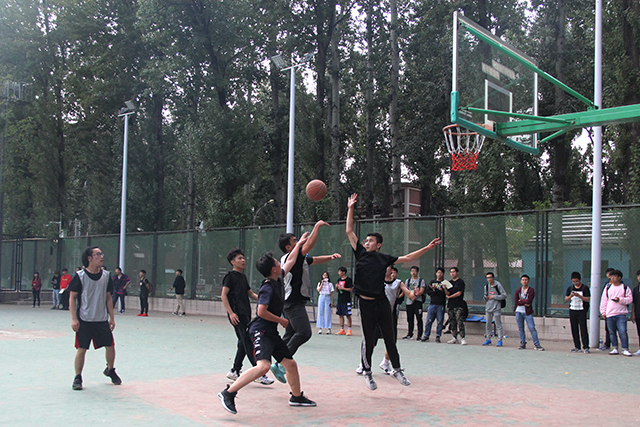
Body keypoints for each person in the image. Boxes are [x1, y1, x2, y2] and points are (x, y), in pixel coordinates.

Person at [346, 193, 440, 390]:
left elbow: (408, 258)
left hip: (381, 302)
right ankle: (367, 372)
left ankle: (397, 369)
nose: (366, 242)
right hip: (365, 303)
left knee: (390, 337)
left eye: (370, 241)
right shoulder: (360, 253)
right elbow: (349, 230)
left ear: (378, 244)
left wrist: (427, 248)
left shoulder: (384, 258)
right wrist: (351, 207)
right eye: (366, 240)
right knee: (368, 340)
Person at [218, 234, 316, 415]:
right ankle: (228, 393)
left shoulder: (278, 278)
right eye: (277, 263)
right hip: (261, 331)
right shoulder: (267, 287)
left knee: (291, 364)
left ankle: (296, 397)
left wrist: (300, 244)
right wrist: (281, 320)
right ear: (273, 268)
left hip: (271, 332)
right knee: (263, 366)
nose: (281, 264)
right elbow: (261, 311)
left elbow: (291, 260)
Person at [278, 221, 341, 356]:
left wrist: (330, 257)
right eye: (295, 241)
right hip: (293, 302)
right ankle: (284, 360)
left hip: (289, 301)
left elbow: (315, 260)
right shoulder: (292, 257)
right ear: (288, 247)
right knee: (304, 333)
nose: (299, 242)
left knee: (290, 333)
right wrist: (317, 226)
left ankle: (277, 358)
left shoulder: (292, 259)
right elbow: (309, 245)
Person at [68, 246, 121, 390]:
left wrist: (112, 318)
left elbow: (108, 298)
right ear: (89, 258)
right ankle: (77, 377)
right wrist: (74, 319)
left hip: (101, 319)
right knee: (82, 348)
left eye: (101, 253)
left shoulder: (106, 276)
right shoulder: (80, 276)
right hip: (84, 319)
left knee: (110, 346)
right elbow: (72, 297)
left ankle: (110, 369)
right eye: (98, 254)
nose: (101, 256)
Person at [221, 248, 274, 385]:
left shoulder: (243, 277)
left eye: (243, 258)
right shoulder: (229, 277)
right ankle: (258, 372)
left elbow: (251, 294)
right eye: (239, 258)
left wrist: (266, 301)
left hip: (245, 313)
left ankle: (235, 370)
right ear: (232, 262)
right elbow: (223, 295)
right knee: (247, 341)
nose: (243, 260)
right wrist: (231, 313)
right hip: (236, 315)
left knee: (243, 342)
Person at [599, 269, 633, 356]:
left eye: (614, 276)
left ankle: (625, 349)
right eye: (611, 276)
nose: (612, 278)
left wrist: (620, 300)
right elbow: (604, 300)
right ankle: (615, 348)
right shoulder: (608, 288)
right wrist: (603, 312)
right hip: (610, 314)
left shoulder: (625, 287)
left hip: (621, 314)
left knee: (623, 331)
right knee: (611, 332)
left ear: (619, 277)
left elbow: (630, 299)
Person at [514, 274, 544, 351]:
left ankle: (537, 344)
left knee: (532, 327)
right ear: (521, 281)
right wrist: (523, 302)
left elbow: (529, 301)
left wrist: (521, 301)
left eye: (526, 280)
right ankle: (522, 343)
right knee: (520, 328)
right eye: (523, 280)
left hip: (527, 312)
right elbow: (516, 302)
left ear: (528, 281)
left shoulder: (531, 290)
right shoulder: (518, 290)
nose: (524, 281)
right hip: (518, 312)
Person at [564, 271, 591, 353]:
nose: (575, 283)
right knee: (574, 328)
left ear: (580, 280)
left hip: (581, 310)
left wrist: (579, 296)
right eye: (574, 281)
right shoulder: (570, 288)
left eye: (577, 281)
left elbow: (588, 299)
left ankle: (586, 346)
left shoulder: (585, 288)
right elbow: (566, 299)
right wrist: (571, 296)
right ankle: (577, 346)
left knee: (583, 328)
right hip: (573, 310)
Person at [421, 268, 447, 343]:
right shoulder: (432, 282)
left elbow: (444, 293)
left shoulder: (445, 283)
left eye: (441, 273)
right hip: (432, 304)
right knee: (428, 320)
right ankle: (426, 335)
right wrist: (435, 291)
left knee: (440, 321)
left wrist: (437, 290)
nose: (439, 274)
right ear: (436, 274)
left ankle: (438, 336)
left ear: (443, 274)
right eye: (438, 272)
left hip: (440, 305)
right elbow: (428, 292)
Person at [482, 272, 507, 347]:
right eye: (487, 278)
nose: (489, 279)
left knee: (498, 324)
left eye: (490, 277)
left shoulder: (498, 285)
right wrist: (485, 298)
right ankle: (488, 339)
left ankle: (500, 339)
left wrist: (494, 297)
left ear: (493, 278)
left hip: (496, 307)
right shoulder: (486, 286)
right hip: (488, 308)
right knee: (488, 324)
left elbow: (504, 295)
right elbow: (485, 296)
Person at [444, 267, 466, 345]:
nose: (452, 273)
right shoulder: (449, 283)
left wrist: (450, 297)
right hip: (450, 305)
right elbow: (447, 293)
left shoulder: (460, 282)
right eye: (451, 272)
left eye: (453, 272)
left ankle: (463, 338)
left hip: (458, 305)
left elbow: (459, 293)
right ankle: (454, 337)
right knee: (452, 321)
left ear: (457, 273)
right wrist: (445, 289)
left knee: (459, 321)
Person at [402, 266, 425, 340]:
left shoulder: (421, 280)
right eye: (412, 271)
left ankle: (419, 335)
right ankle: (410, 334)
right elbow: (405, 290)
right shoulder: (408, 281)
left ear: (417, 272)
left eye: (414, 271)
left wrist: (418, 293)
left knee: (419, 318)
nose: (413, 272)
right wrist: (410, 296)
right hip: (409, 302)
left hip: (418, 302)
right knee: (410, 318)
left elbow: (422, 290)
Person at [335, 266, 353, 335]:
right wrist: (336, 287)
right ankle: (342, 329)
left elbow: (351, 289)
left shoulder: (348, 280)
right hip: (340, 300)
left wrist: (343, 288)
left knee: (348, 315)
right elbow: (337, 290)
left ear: (343, 272)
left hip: (346, 300)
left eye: (340, 271)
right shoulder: (339, 280)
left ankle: (349, 329)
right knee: (340, 315)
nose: (338, 273)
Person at [632, 269, 640, 356]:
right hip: (638, 314)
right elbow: (633, 303)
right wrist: (633, 314)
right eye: (638, 276)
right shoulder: (636, 289)